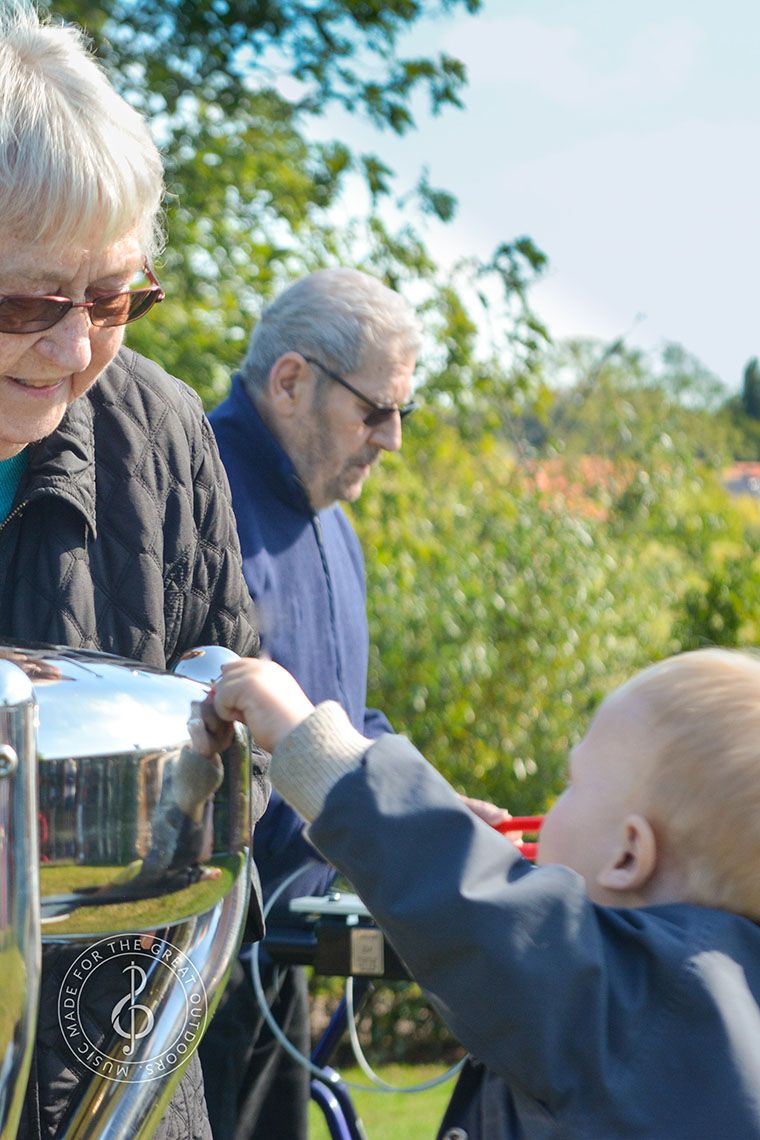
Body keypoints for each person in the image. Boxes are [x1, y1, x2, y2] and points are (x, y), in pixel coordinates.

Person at [0, 4, 267, 1137]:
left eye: (111, 300)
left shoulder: (157, 430)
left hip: (116, 1080)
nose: (74, 353)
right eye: (25, 303)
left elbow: (230, 754)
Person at [194, 647, 760, 1139]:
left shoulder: (642, 1001)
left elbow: (465, 895)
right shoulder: (719, 1002)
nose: (556, 805)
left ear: (628, 855)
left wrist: (315, 747)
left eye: (574, 785)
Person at [199, 267, 422, 1138]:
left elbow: (347, 723)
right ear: (291, 381)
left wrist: (422, 804)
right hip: (175, 968)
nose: (393, 439)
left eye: (404, 411)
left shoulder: (337, 525)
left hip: (278, 962)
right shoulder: (188, 490)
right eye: (376, 410)